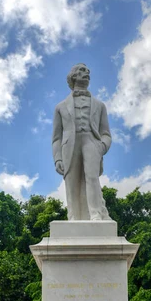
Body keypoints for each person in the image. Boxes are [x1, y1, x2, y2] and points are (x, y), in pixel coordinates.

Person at [52, 63, 112, 220]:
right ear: (73, 76)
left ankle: (96, 214)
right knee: (71, 181)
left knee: (92, 177)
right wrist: (57, 158)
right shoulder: (60, 107)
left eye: (88, 71)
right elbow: (56, 137)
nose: (87, 72)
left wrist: (102, 146)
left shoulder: (100, 105)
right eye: (82, 70)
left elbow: (106, 133)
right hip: (69, 145)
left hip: (91, 141)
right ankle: (73, 217)